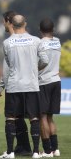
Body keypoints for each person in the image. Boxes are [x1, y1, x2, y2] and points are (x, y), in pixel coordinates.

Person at [0, 15, 49, 159]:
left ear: (11, 25)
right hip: (31, 85)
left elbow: (9, 64)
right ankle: (36, 152)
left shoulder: (7, 43)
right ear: (25, 24)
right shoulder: (36, 41)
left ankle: (10, 152)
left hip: (14, 85)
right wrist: (34, 68)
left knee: (10, 118)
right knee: (34, 118)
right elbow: (45, 60)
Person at [0, 11, 32, 156]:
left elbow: (7, 68)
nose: (3, 24)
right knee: (20, 116)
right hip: (28, 83)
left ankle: (23, 148)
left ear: (8, 22)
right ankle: (24, 147)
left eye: (3, 22)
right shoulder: (28, 39)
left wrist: (1, 86)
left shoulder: (10, 42)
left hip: (17, 84)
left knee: (14, 116)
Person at [38, 18, 61, 157]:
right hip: (56, 80)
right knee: (50, 118)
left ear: (40, 30)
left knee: (43, 117)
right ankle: (56, 149)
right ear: (53, 30)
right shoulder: (57, 41)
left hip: (44, 81)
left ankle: (47, 150)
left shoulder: (40, 43)